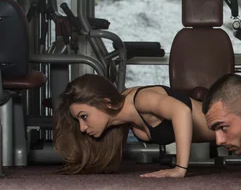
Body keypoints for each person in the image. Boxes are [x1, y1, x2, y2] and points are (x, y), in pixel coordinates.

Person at [54, 73, 216, 177]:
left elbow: (182, 111)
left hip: (233, 122)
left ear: (106, 104)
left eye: (84, 116)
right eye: (79, 120)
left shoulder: (140, 99)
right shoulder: (126, 120)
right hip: (219, 135)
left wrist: (180, 168)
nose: (82, 127)